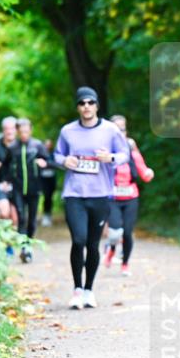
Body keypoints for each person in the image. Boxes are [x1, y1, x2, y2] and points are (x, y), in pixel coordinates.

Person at [54, 87, 130, 309]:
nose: (86, 106)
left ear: (96, 106)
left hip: (100, 194)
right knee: (78, 240)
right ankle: (77, 289)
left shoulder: (110, 130)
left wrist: (111, 157)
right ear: (77, 107)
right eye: (81, 103)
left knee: (92, 243)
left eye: (90, 102)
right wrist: (64, 161)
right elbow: (57, 155)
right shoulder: (68, 131)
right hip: (74, 194)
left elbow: (125, 154)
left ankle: (89, 290)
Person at [103, 114, 154, 276]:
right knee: (115, 232)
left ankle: (125, 264)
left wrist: (147, 173)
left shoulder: (130, 145)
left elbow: (140, 164)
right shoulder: (105, 148)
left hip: (131, 195)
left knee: (127, 232)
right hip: (112, 197)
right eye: (117, 129)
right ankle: (111, 249)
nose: (120, 132)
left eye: (123, 129)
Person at [7, 118, 50, 263]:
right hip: (18, 189)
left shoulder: (37, 145)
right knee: (21, 217)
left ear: (30, 131)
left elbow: (49, 161)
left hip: (34, 189)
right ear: (18, 132)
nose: (24, 134)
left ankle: (29, 245)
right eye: (21, 132)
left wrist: (44, 163)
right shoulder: (13, 147)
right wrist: (5, 181)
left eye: (26, 131)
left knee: (31, 220)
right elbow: (6, 165)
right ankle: (24, 247)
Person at [0, 116, 21, 256]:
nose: (9, 131)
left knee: (14, 218)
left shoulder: (22, 145)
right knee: (4, 212)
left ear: (16, 130)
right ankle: (3, 244)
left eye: (12, 128)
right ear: (3, 130)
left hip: (16, 185)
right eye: (6, 128)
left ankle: (8, 243)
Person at [40, 138, 58, 227]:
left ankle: (48, 214)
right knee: (46, 197)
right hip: (43, 180)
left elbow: (56, 164)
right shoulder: (40, 154)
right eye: (46, 144)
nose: (47, 146)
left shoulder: (53, 154)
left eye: (49, 144)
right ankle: (45, 215)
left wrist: (47, 164)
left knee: (50, 198)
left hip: (51, 179)